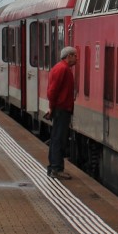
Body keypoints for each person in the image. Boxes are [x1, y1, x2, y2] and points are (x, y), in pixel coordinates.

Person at [45, 45, 77, 179]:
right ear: (68, 56)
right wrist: (52, 107)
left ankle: (54, 167)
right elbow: (52, 91)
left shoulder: (61, 68)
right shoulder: (62, 69)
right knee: (59, 139)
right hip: (61, 109)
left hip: (61, 108)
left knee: (56, 138)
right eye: (75, 55)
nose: (77, 58)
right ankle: (56, 169)